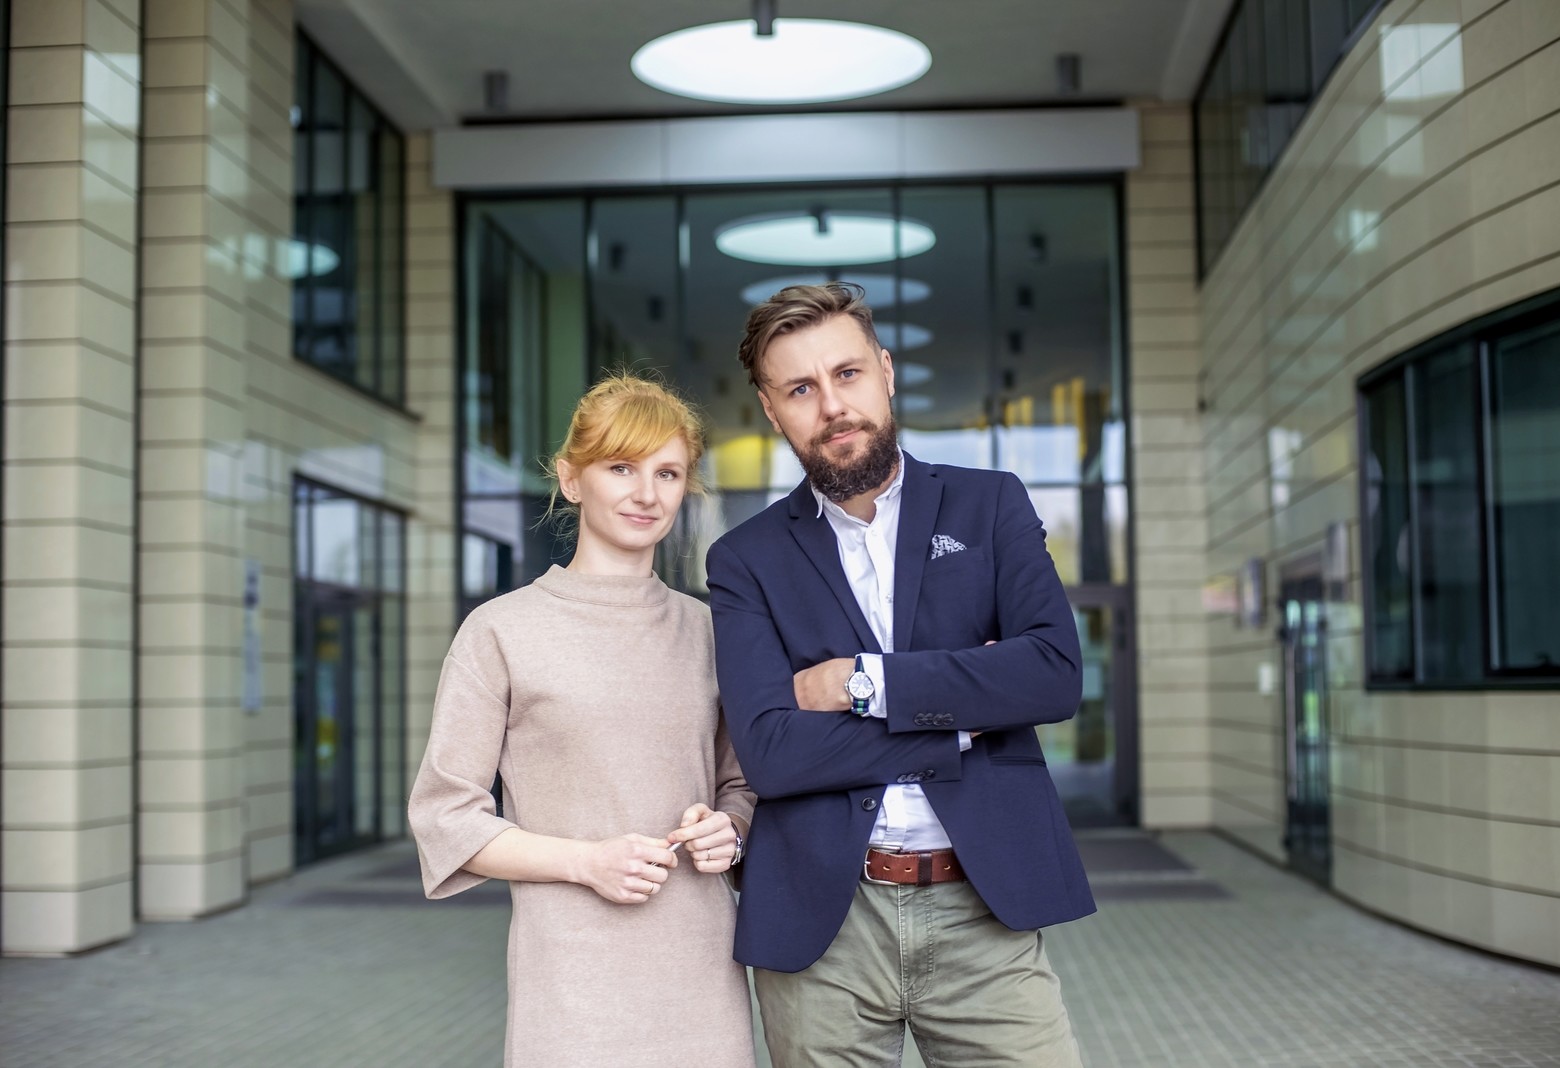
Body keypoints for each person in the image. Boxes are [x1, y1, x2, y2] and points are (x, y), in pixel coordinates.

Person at [706, 283, 1095, 1067]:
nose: (832, 406)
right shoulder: (744, 560)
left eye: (847, 374)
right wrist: (963, 718)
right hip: (824, 927)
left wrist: (864, 684)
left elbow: (1052, 675)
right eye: (801, 389)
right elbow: (773, 755)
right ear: (771, 410)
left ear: (885, 372)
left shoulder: (989, 506)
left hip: (983, 914)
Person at [408, 374, 756, 1068]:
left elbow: (740, 785)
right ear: (571, 479)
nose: (646, 493)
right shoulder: (500, 631)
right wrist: (586, 862)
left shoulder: (711, 632)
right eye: (621, 467)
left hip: (703, 974)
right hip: (570, 984)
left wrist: (733, 829)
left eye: (667, 473)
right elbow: (446, 818)